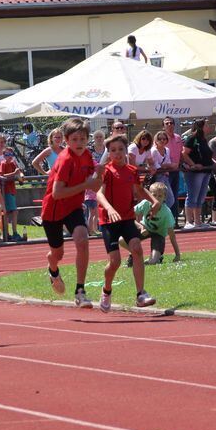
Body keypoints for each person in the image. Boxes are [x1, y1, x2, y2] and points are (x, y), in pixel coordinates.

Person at [40, 118, 102, 308]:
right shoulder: (65, 160)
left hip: (74, 207)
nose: (79, 143)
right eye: (75, 139)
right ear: (67, 140)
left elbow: (95, 179)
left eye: (83, 139)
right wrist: (86, 184)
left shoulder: (86, 154)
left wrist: (100, 173)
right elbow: (58, 193)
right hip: (53, 210)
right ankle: (53, 269)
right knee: (57, 254)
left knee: (83, 240)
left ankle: (80, 290)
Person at [96, 134, 158, 312]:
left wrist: (154, 200)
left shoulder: (132, 170)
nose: (117, 153)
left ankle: (140, 294)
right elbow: (99, 194)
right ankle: (106, 290)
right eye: (113, 150)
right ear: (109, 153)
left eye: (120, 149)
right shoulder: (106, 171)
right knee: (114, 262)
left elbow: (139, 189)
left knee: (137, 249)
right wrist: (109, 208)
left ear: (126, 150)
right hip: (109, 221)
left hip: (127, 218)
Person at [135, 181, 179, 265]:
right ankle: (134, 255)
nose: (157, 198)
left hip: (159, 234)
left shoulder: (166, 212)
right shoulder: (145, 204)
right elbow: (129, 216)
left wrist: (177, 255)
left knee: (153, 262)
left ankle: (157, 257)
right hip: (145, 229)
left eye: (160, 196)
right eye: (154, 195)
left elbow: (172, 235)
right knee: (122, 240)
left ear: (164, 198)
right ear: (149, 195)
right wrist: (141, 227)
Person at [181, 118, 213, 229]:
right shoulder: (192, 138)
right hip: (195, 172)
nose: (209, 127)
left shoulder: (203, 139)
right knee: (192, 196)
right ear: (201, 127)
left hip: (206, 171)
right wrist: (193, 164)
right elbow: (184, 153)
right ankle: (188, 221)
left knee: (201, 197)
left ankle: (198, 221)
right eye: (206, 125)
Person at [0, 135, 23, 241]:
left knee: (12, 212)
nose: (9, 156)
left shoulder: (12, 162)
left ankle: (11, 233)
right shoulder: (1, 162)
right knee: (7, 212)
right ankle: (8, 233)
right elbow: (1, 175)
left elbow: (19, 172)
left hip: (11, 190)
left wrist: (20, 177)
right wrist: (14, 174)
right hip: (3, 190)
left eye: (10, 154)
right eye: (7, 154)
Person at [162, 116, 184, 218]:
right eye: (167, 123)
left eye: (171, 123)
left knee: (175, 195)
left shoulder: (178, 138)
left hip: (176, 170)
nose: (169, 125)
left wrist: (182, 164)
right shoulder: (161, 138)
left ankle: (174, 219)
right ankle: (167, 218)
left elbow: (181, 153)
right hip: (166, 171)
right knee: (167, 196)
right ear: (163, 126)